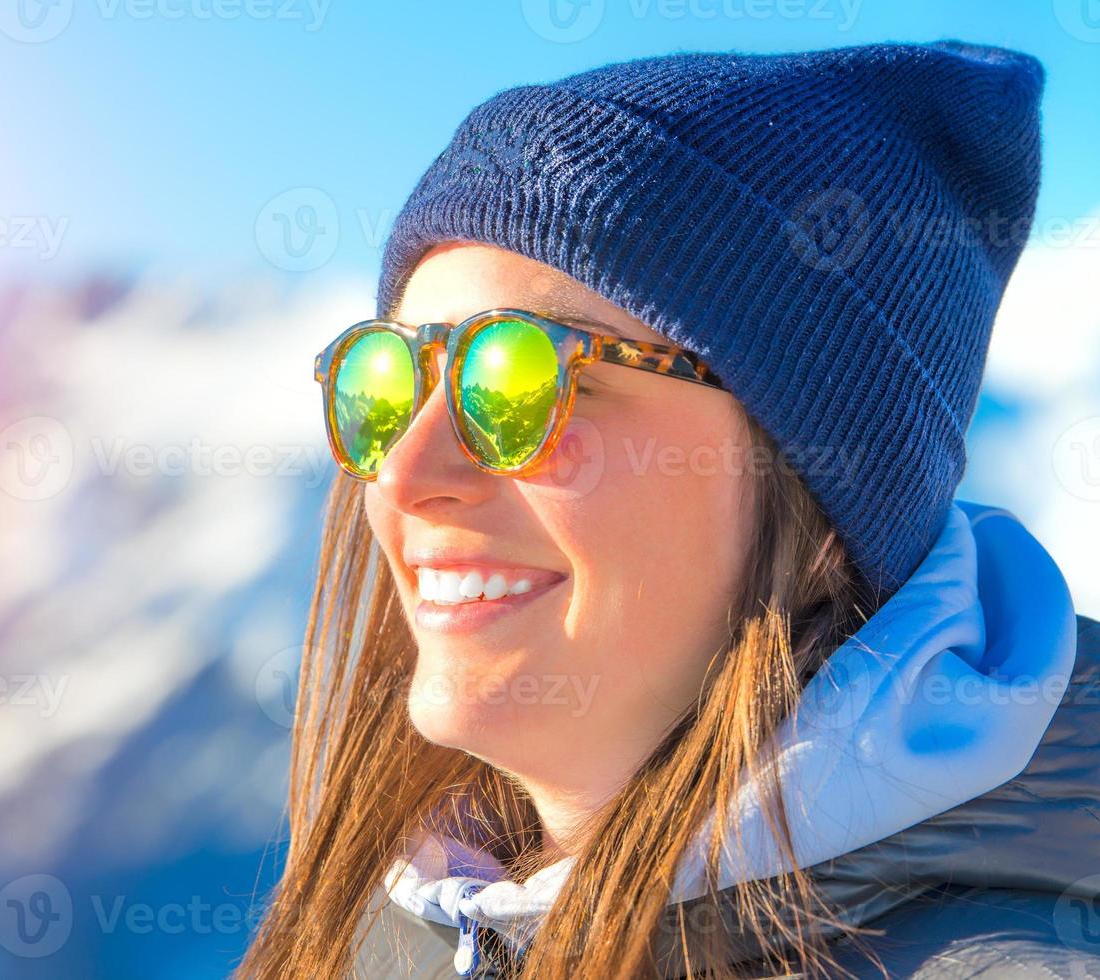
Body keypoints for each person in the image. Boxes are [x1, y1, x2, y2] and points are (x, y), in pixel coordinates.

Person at [239, 39, 1100, 978]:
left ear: (809, 488)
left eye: (520, 377)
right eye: (386, 379)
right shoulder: (402, 922)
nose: (404, 473)